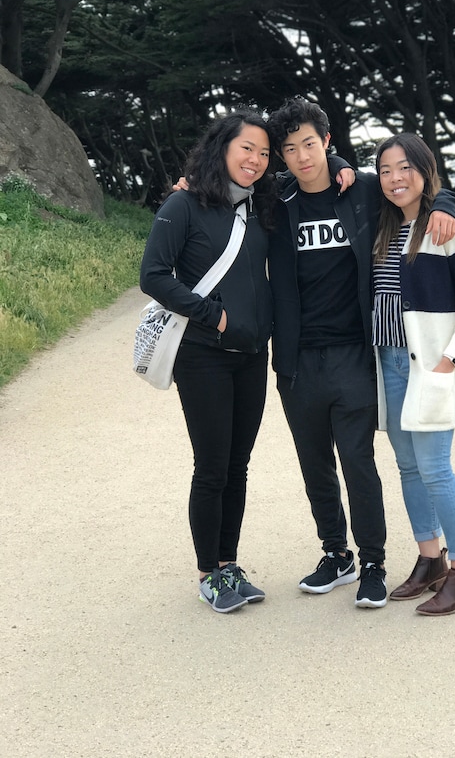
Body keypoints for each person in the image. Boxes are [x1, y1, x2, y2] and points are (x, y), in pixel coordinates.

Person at [266, 98, 455, 609]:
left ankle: (373, 561)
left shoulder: (364, 191)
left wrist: (447, 205)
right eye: (289, 149)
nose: (301, 156)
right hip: (295, 358)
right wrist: (184, 188)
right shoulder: (275, 201)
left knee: (358, 459)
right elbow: (220, 196)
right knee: (314, 462)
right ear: (281, 157)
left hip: (355, 352)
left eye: (310, 144)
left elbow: (419, 188)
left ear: (327, 143)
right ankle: (336, 554)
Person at [140, 109, 277, 614]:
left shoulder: (260, 204)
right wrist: (213, 317)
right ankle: (208, 572)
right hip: (202, 357)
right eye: (248, 149)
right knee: (213, 467)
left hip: (251, 357)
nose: (257, 161)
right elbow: (153, 276)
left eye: (264, 153)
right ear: (223, 147)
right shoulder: (184, 204)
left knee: (238, 466)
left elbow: (316, 172)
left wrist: (342, 161)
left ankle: (228, 563)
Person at [372, 132, 455, 615]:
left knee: (436, 468)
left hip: (429, 365)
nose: (395, 179)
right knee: (407, 467)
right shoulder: (384, 227)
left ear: (425, 170)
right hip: (389, 361)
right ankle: (429, 559)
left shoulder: (448, 226)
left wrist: (449, 362)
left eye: (405, 168)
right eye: (385, 171)